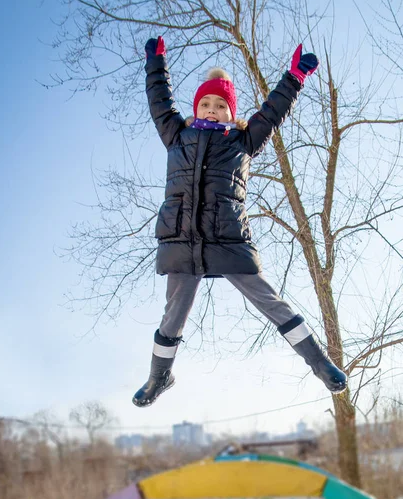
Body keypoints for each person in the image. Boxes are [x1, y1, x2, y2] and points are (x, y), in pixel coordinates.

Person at [132, 36, 347, 407]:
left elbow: (273, 112)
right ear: (196, 108)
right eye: (205, 103)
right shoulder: (177, 135)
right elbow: (159, 101)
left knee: (270, 301)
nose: (212, 109)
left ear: (231, 112)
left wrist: (294, 77)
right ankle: (159, 377)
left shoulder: (243, 142)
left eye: (220, 105)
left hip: (228, 240)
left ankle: (320, 363)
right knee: (173, 317)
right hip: (182, 240)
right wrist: (156, 64)